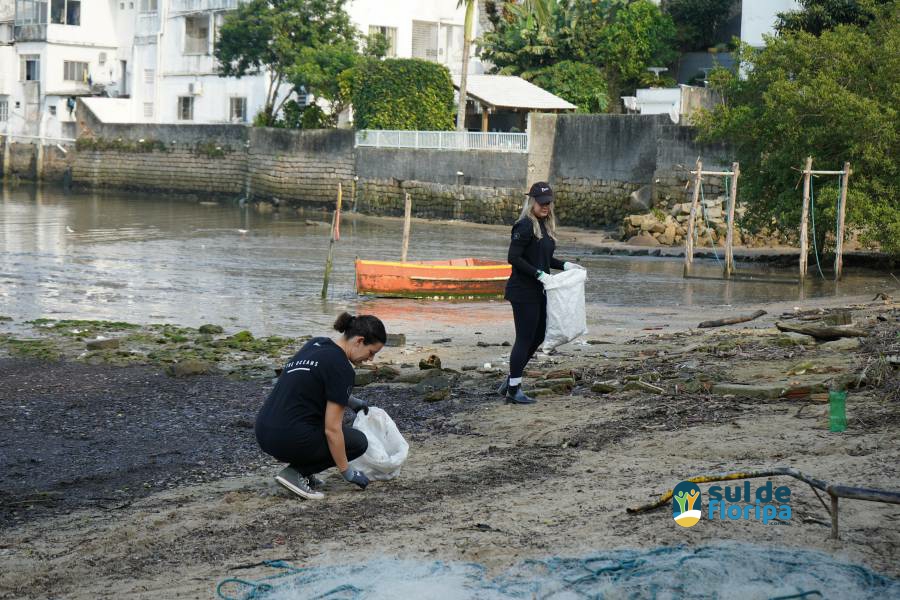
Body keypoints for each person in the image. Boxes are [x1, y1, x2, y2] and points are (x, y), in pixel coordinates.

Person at [255, 312, 386, 500]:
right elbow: (332, 430)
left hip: (264, 431)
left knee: (308, 421)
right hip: (288, 438)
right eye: (372, 352)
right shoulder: (342, 367)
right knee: (357, 442)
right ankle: (295, 473)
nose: (370, 359)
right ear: (359, 341)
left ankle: (306, 473)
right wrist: (347, 471)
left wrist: (351, 401)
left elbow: (310, 382)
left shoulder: (316, 344)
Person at [499, 181, 584, 405]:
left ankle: (510, 381)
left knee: (537, 337)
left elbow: (544, 259)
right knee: (525, 338)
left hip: (540, 291)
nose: (545, 206)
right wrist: (540, 275)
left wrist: (565, 265)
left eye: (548, 203)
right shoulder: (525, 225)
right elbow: (513, 258)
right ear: (532, 201)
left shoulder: (544, 225)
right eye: (541, 202)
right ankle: (513, 390)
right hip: (522, 291)